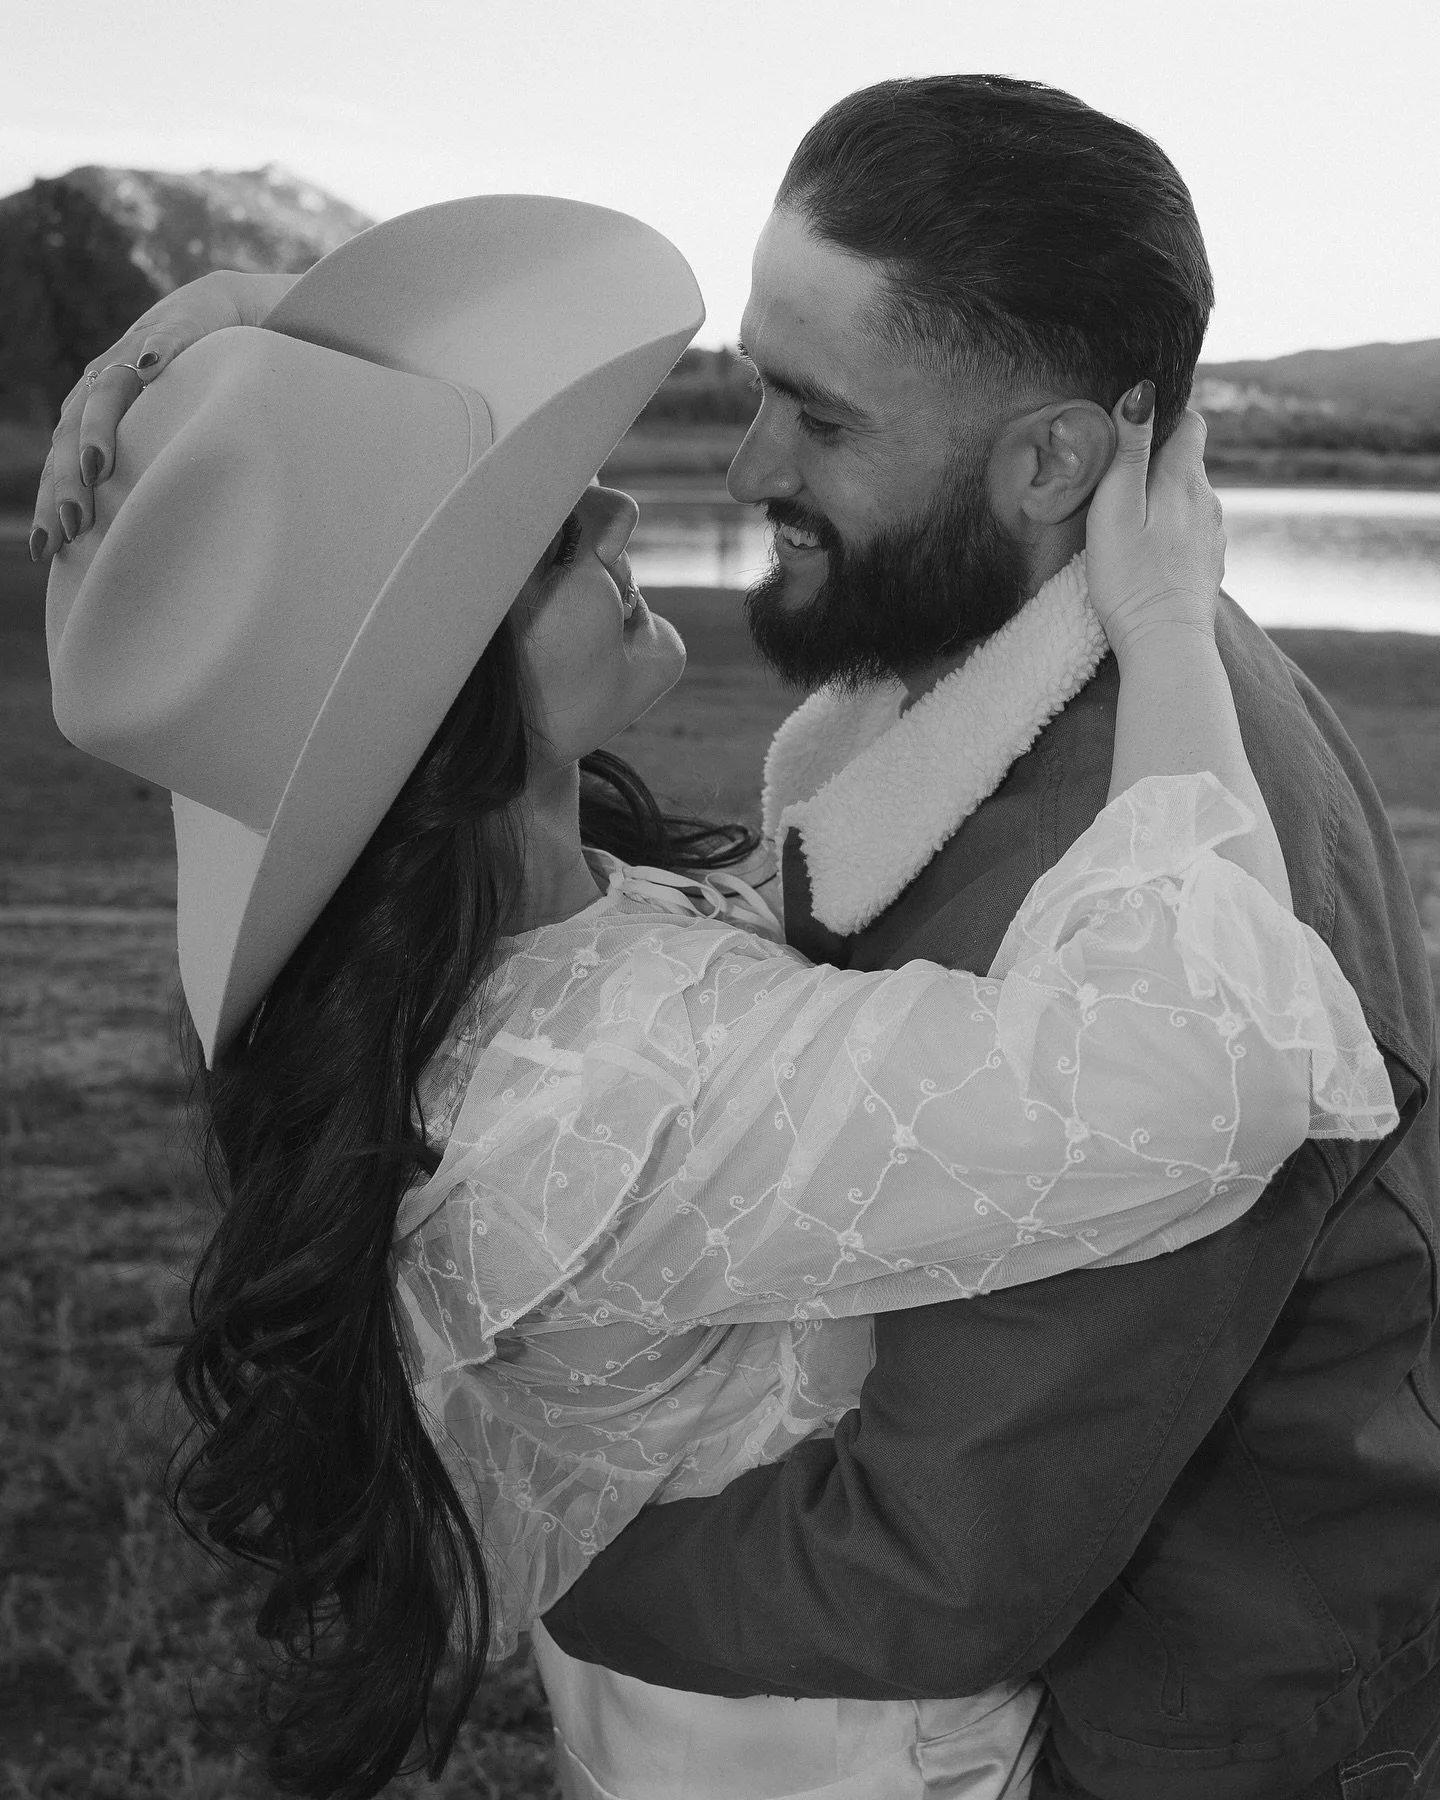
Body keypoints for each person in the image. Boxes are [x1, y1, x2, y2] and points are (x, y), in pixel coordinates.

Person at [34, 78, 1439, 1800]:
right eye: (548, 525)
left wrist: (574, 1564)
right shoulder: (655, 974)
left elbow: (944, 1560)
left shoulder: (1151, 847)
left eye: (813, 412)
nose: (736, 466)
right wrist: (280, 378)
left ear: (1054, 460)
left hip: (1188, 1723)